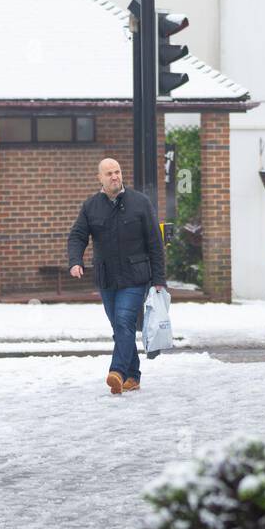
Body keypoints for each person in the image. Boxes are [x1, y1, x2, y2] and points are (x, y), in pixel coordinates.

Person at [67, 158, 167, 395]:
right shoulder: (91, 206)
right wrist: (75, 261)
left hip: (135, 277)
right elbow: (77, 236)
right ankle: (133, 376)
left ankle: (117, 372)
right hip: (107, 278)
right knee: (119, 328)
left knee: (124, 322)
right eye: (109, 173)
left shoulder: (140, 203)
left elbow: (155, 243)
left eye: (118, 172)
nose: (115, 176)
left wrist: (159, 279)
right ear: (99, 178)